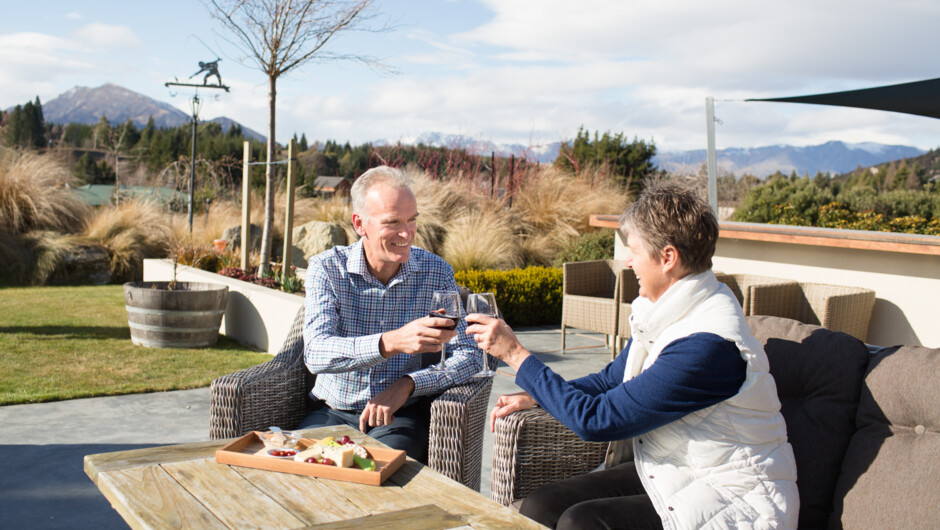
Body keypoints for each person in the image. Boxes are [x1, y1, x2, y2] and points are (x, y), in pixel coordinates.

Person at [467, 185, 798, 529]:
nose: (628, 261)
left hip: (732, 496)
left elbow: (598, 421)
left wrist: (516, 355)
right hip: (671, 469)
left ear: (668, 258)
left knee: (581, 523)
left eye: (634, 251)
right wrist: (537, 395)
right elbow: (611, 380)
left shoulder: (707, 346)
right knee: (540, 505)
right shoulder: (666, 310)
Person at [299, 165, 482, 462]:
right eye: (392, 222)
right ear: (360, 224)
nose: (406, 233)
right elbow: (315, 353)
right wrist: (391, 342)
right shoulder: (326, 269)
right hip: (331, 413)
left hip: (399, 417)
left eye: (412, 220)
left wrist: (408, 385)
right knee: (301, 470)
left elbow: (470, 356)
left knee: (378, 470)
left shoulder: (436, 272)